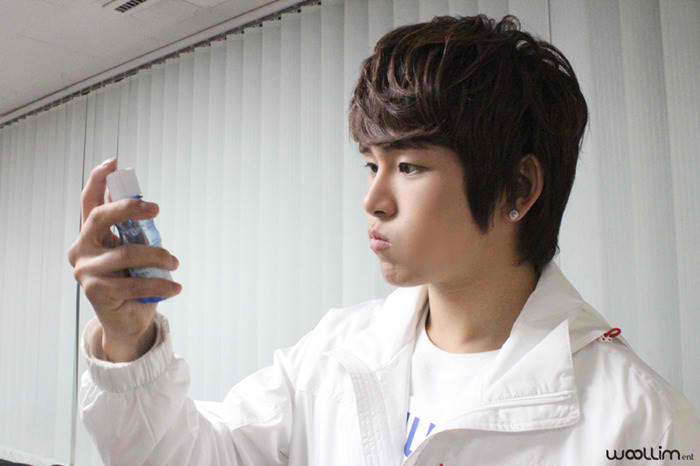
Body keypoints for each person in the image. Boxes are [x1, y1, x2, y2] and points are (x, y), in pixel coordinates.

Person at [68, 14, 700, 466]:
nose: (373, 199)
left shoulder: (643, 423)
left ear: (518, 186)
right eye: (371, 164)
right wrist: (129, 342)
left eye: (410, 166)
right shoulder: (334, 354)